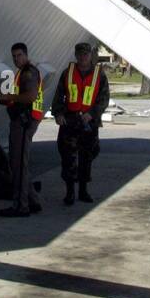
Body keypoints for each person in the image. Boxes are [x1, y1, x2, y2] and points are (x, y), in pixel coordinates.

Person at [51, 41, 109, 205]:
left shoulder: (99, 74)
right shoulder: (67, 73)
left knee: (87, 156)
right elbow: (58, 96)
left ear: (91, 55)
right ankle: (70, 193)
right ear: (76, 55)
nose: (83, 57)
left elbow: (104, 98)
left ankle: (83, 191)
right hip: (70, 121)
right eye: (80, 54)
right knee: (68, 157)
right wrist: (58, 113)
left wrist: (92, 114)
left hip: (89, 123)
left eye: (86, 54)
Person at [0, 42, 44, 217]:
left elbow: (30, 96)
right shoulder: (23, 73)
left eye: (19, 55)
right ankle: (32, 200)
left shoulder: (28, 72)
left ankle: (20, 206)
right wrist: (9, 99)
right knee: (20, 164)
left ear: (25, 55)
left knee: (18, 165)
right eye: (14, 56)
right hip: (24, 120)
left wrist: (9, 96)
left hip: (24, 122)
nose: (16, 59)